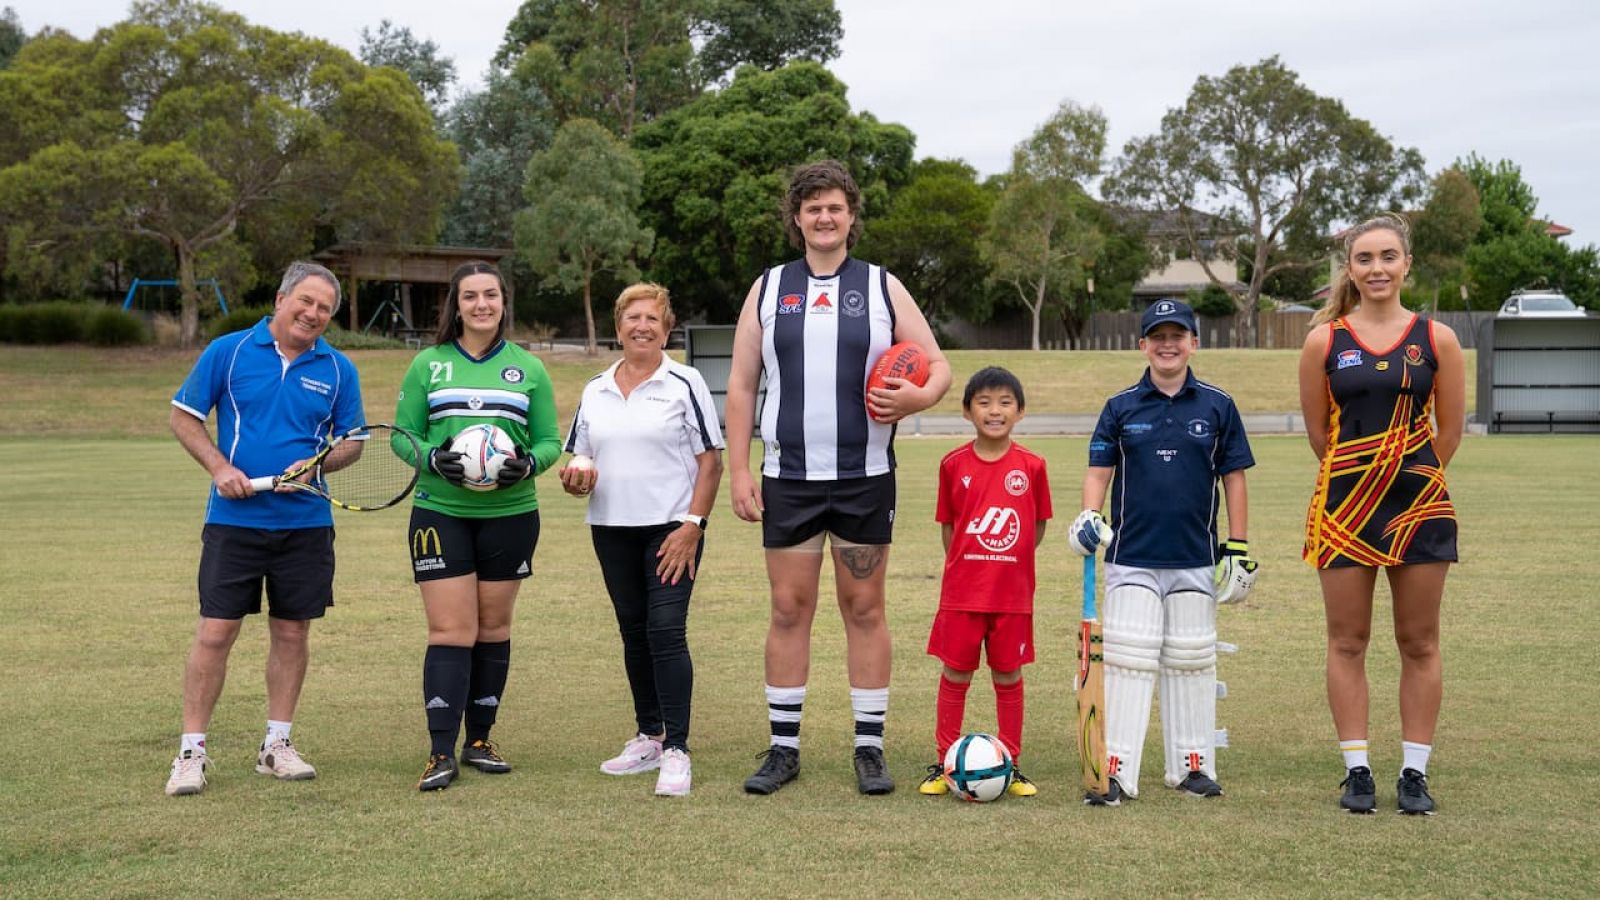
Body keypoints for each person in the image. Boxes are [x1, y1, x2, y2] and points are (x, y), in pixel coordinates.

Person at [725, 160, 953, 796]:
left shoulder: (882, 286)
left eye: (835, 207)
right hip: (789, 479)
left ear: (852, 216)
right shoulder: (769, 289)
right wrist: (741, 469)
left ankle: (869, 748)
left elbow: (937, 366)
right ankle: (783, 748)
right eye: (812, 207)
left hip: (864, 477)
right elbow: (742, 385)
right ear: (796, 219)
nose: (824, 217)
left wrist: (916, 398)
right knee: (788, 608)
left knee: (864, 606)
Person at [165, 261, 365, 797]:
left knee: (293, 631)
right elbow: (184, 415)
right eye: (306, 300)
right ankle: (191, 752)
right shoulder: (227, 352)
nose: (313, 313)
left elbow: (353, 440)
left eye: (325, 308)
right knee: (215, 633)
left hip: (305, 523)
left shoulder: (340, 368)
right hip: (234, 521)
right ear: (280, 299)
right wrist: (218, 468)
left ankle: (276, 746)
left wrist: (318, 466)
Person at [1299, 213, 1464, 816]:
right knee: (1348, 641)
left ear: (1406, 265)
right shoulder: (1324, 341)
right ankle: (1358, 770)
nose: (1377, 269)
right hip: (1344, 509)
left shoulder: (1436, 338)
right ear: (1350, 268)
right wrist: (1364, 480)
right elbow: (1321, 437)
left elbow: (1449, 433)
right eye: (1364, 258)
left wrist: (1406, 478)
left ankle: (1414, 774)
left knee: (1418, 642)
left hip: (1419, 508)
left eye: (1388, 257)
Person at [1072, 298, 1256, 806]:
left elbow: (1234, 478)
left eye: (1178, 335)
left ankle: (1191, 766)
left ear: (1194, 343)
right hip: (1131, 555)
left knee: (1192, 660)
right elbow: (1098, 472)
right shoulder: (1121, 406)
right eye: (1158, 336)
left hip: (1196, 557)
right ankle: (1117, 771)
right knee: (1129, 660)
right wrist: (1090, 516)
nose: (1168, 344)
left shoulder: (1218, 405)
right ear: (1143, 345)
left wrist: (1237, 547)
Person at [393, 260, 562, 792]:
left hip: (510, 515)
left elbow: (550, 442)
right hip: (440, 512)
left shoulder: (528, 368)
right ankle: (440, 751)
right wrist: (431, 458)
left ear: (503, 302)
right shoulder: (429, 364)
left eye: (491, 295)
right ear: (456, 304)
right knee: (450, 630)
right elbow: (402, 435)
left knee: (493, 629)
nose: (482, 304)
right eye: (471, 296)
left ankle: (480, 740)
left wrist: (528, 464)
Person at [560, 283, 724, 797]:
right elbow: (580, 460)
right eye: (632, 317)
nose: (642, 326)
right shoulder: (596, 388)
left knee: (666, 631)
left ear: (666, 328)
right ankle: (648, 736)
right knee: (634, 634)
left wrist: (692, 525)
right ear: (618, 327)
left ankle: (677, 749)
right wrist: (574, 479)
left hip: (671, 530)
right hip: (611, 529)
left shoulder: (685, 381)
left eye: (652, 318)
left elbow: (710, 461)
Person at [917, 367, 1051, 798]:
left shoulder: (1032, 466)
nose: (995, 411)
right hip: (962, 595)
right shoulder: (953, 465)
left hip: (1012, 596)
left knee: (1008, 674)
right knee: (955, 673)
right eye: (985, 402)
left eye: (1005, 403)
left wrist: (1008, 565)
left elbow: (1038, 527)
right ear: (967, 411)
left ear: (1021, 411)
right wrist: (968, 567)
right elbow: (949, 529)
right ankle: (944, 762)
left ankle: (1009, 763)